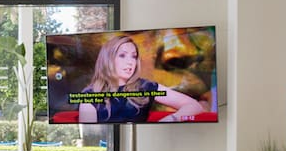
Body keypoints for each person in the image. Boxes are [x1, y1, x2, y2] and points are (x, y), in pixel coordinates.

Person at [76, 35, 206, 123]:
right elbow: (90, 140)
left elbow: (194, 106)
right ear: (107, 60)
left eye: (134, 56)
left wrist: (170, 119)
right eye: (122, 55)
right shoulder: (90, 95)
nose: (130, 62)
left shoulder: (145, 87)